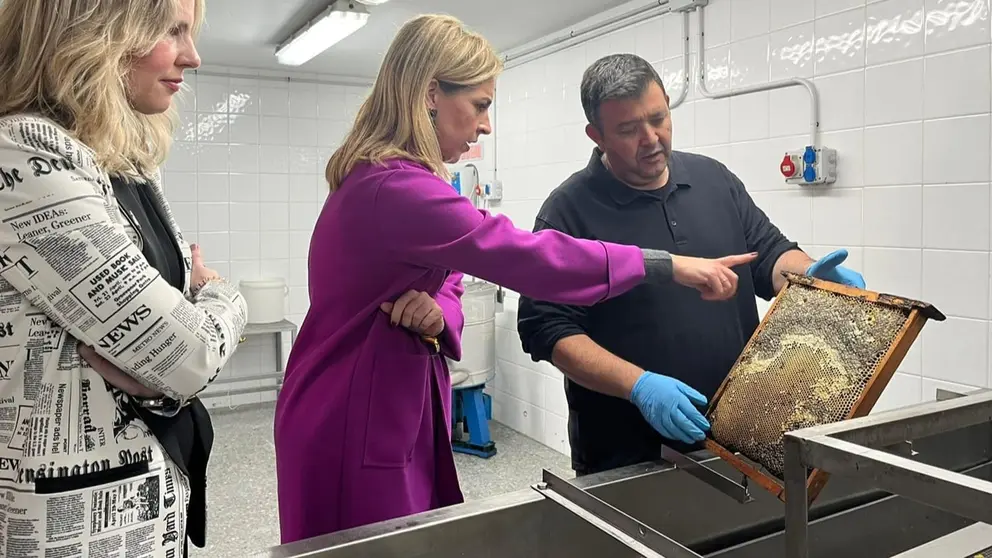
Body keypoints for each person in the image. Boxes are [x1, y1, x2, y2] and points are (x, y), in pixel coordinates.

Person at [273, 14, 760, 543]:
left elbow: (452, 278)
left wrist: (439, 312)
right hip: (351, 417)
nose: (486, 126)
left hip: (387, 407)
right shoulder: (393, 189)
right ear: (431, 93)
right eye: (480, 105)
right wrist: (661, 264)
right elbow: (524, 257)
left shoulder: (403, 181)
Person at [516, 53, 866, 477]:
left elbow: (768, 255)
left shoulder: (714, 180)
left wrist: (809, 275)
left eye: (658, 118)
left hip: (740, 438)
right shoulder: (567, 212)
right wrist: (638, 386)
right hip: (625, 456)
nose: (651, 139)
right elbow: (549, 331)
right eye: (628, 129)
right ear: (597, 135)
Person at [0, 1, 247, 556]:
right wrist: (227, 298)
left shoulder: (123, 164)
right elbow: (189, 351)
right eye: (172, 30)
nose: (194, 55)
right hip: (72, 528)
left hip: (150, 499)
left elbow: (167, 347)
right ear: (94, 29)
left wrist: (161, 367)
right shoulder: (22, 153)